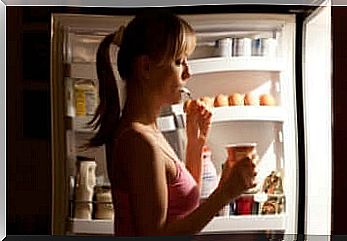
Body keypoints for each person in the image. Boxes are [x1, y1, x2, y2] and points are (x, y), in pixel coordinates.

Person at [88, 10, 257, 236]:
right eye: (179, 62)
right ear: (146, 67)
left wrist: (195, 145)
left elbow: (181, 207)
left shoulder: (147, 132)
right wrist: (224, 195)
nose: (188, 73)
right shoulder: (139, 142)